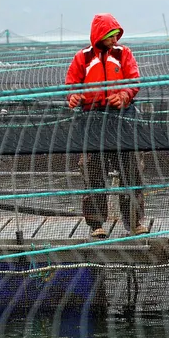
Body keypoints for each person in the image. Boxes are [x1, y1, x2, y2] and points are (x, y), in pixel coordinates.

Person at [66, 13, 147, 239]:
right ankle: (96, 225)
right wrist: (74, 97)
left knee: (131, 170)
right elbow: (72, 84)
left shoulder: (123, 54)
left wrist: (124, 95)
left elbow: (133, 81)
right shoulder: (82, 57)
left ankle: (134, 223)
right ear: (100, 35)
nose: (115, 40)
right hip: (92, 120)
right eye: (111, 35)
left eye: (116, 35)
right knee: (93, 172)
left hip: (122, 120)